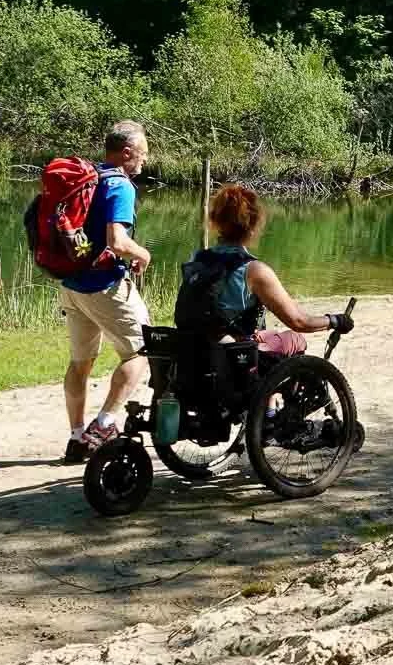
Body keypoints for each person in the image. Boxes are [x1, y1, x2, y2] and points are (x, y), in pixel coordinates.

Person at [60, 121, 153, 461]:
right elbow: (117, 240)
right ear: (126, 152)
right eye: (142, 152)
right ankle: (102, 427)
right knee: (141, 352)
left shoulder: (89, 178)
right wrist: (143, 253)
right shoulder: (120, 186)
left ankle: (76, 436)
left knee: (80, 362)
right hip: (104, 285)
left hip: (71, 286)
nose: (145, 159)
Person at [178, 183, 352, 360]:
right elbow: (299, 322)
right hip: (235, 358)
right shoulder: (254, 270)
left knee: (269, 335)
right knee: (294, 339)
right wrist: (334, 321)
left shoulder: (197, 259)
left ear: (216, 222)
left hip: (195, 352)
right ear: (253, 227)